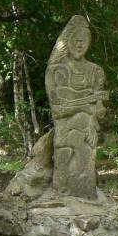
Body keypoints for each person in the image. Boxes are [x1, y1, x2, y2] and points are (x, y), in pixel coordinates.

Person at [45, 16, 107, 199]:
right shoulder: (58, 70)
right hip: (66, 128)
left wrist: (93, 114)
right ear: (68, 42)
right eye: (76, 40)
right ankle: (63, 188)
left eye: (84, 41)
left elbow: (100, 109)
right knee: (65, 146)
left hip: (87, 129)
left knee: (83, 145)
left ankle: (84, 192)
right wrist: (85, 108)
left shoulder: (95, 71)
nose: (80, 45)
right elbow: (58, 111)